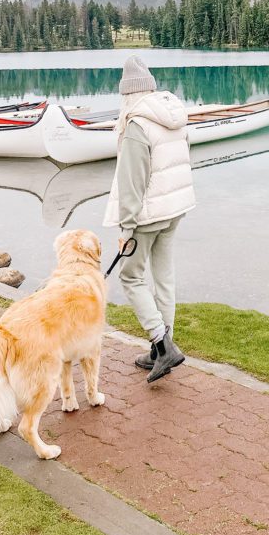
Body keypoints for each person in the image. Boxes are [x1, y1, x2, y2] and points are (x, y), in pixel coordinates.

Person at [103, 56, 196, 383]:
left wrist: (127, 228)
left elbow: (132, 182)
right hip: (175, 208)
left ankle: (162, 342)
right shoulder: (174, 116)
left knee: (130, 276)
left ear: (127, 94)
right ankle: (160, 351)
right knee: (163, 276)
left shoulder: (136, 125)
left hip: (147, 215)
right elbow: (184, 159)